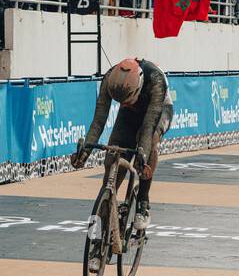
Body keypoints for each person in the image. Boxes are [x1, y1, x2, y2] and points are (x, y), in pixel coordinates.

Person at [71, 58, 173, 230]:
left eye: (125, 100)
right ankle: (106, 211)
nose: (122, 104)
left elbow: (148, 129)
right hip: (130, 113)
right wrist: (85, 152)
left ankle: (142, 203)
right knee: (113, 156)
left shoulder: (155, 80)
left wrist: (143, 158)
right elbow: (98, 121)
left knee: (148, 141)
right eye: (120, 102)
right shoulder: (111, 78)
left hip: (158, 110)